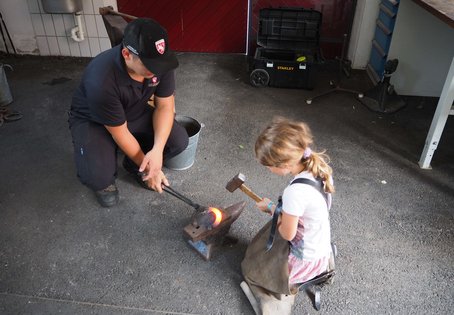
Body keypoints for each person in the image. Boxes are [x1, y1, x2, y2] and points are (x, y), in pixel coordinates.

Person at [68, 18, 188, 207]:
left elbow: (164, 106)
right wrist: (151, 169)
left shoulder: (159, 62)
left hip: (134, 110)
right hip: (94, 121)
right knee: (98, 177)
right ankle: (107, 173)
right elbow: (120, 131)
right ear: (126, 54)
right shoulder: (101, 80)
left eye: (160, 64)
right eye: (150, 66)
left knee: (178, 141)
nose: (157, 70)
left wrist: (156, 151)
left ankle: (134, 165)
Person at [241, 117, 334, 314]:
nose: (267, 169)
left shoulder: (295, 192)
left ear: (283, 164)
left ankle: (276, 302)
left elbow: (287, 234)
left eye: (268, 166)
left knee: (254, 272)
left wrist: (274, 210)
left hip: (305, 259)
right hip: (319, 246)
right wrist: (274, 207)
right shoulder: (316, 170)